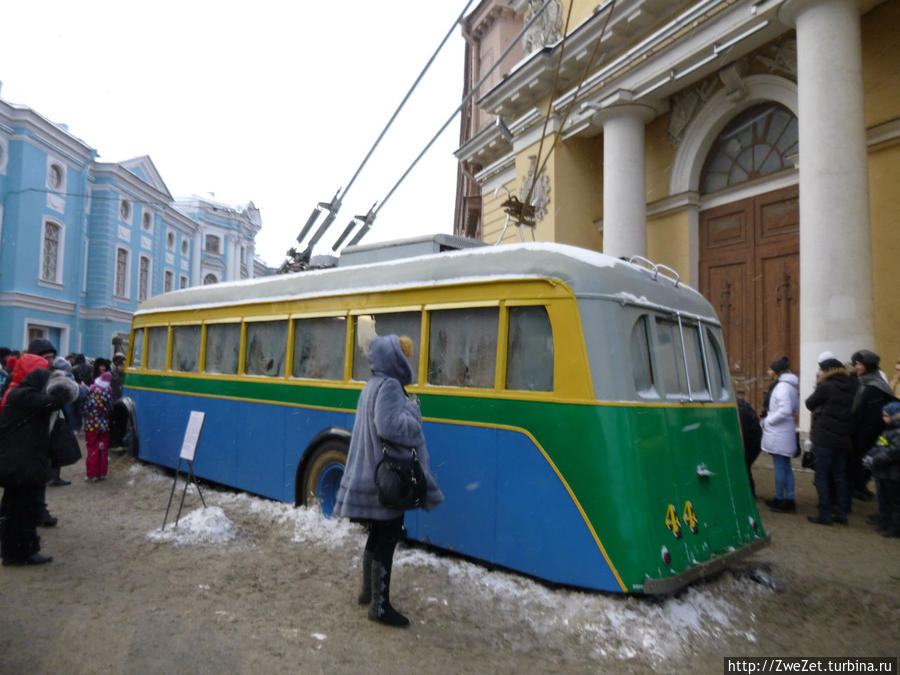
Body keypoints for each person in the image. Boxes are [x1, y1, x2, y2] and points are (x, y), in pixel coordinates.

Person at [333, 334, 443, 628]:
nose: (407, 360)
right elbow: (390, 426)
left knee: (377, 532)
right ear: (396, 359)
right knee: (389, 533)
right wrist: (413, 411)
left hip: (371, 474)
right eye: (404, 355)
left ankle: (369, 594)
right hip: (389, 476)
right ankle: (380, 607)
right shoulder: (392, 386)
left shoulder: (371, 385)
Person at [0, 357, 78, 565]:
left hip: (16, 461)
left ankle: (13, 550)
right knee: (22, 509)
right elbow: (56, 401)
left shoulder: (18, 394)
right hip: (22, 464)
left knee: (14, 507)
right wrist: (62, 385)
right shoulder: (25, 396)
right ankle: (20, 552)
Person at [804, 353, 854, 525]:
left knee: (822, 476)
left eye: (820, 369)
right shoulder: (849, 385)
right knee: (839, 476)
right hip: (843, 437)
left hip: (825, 437)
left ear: (826, 371)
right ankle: (841, 513)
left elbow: (809, 403)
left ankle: (824, 514)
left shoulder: (826, 386)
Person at [849, 349, 897, 501]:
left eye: (858, 364)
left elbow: (871, 416)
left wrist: (862, 435)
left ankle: (860, 487)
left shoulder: (874, 388)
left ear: (867, 366)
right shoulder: (867, 383)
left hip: (869, 434)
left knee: (865, 463)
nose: (855, 367)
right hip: (865, 432)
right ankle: (860, 487)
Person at [760, 357, 800, 512]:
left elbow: (785, 410)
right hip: (785, 431)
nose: (768, 372)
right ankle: (787, 498)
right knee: (786, 467)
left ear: (776, 372)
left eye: (770, 369)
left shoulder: (781, 387)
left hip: (779, 433)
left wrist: (768, 421)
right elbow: (795, 409)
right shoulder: (790, 386)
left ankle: (782, 499)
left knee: (780, 468)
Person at [863, 401, 900, 537]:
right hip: (883, 472)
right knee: (883, 499)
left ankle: (895, 528)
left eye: (886, 416)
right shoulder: (887, 430)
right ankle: (885, 522)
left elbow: (894, 452)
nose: (883, 418)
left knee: (894, 502)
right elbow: (879, 446)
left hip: (893, 473)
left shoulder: (896, 432)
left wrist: (875, 458)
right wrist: (870, 455)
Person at [82, 371, 113, 482]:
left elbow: (85, 408)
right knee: (103, 449)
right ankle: (102, 473)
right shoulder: (108, 392)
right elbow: (110, 408)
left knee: (92, 449)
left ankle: (92, 474)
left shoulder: (92, 391)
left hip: (91, 426)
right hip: (104, 425)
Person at [737, 397, 762, 498]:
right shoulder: (744, 406)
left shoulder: (739, 410)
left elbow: (744, 432)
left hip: (749, 442)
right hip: (755, 442)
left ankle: (748, 494)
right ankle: (749, 493)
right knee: (745, 467)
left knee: (744, 466)